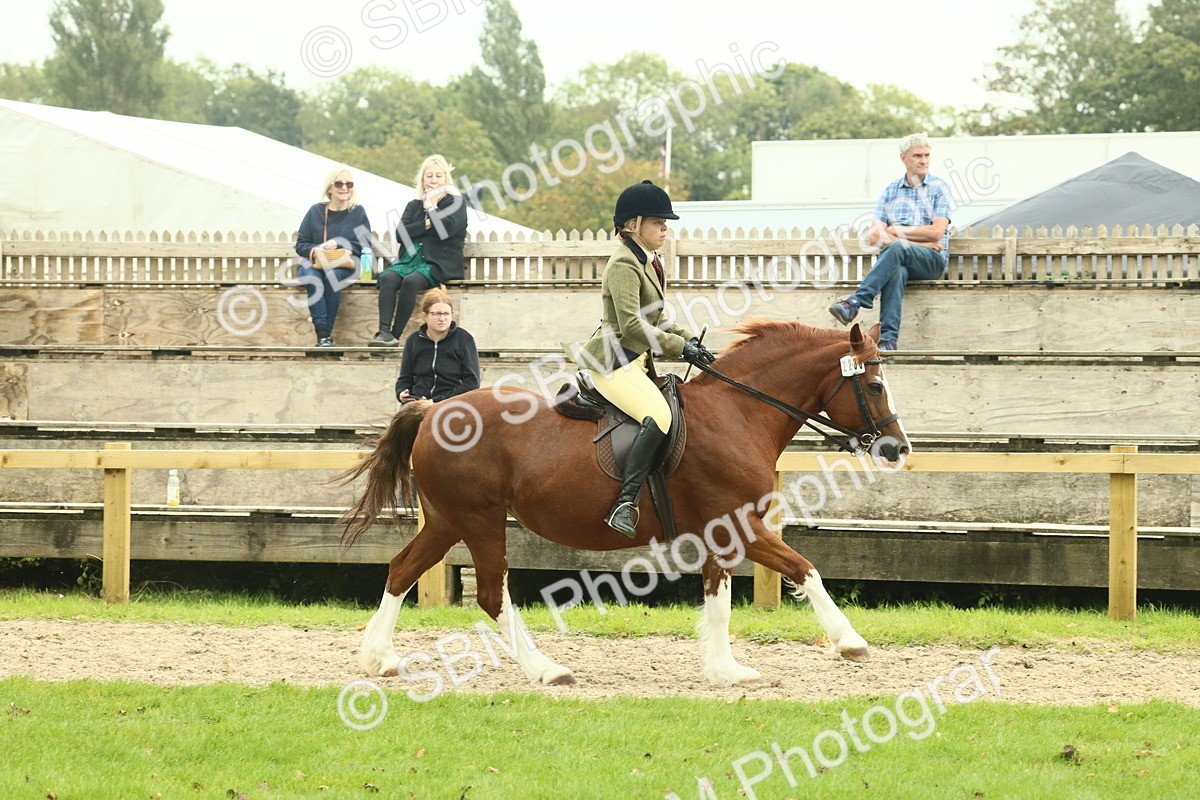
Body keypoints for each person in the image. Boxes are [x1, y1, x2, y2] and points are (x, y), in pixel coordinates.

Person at [569, 180, 716, 538]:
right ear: (633, 224)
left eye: (666, 222)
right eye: (657, 221)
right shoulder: (623, 264)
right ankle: (624, 502)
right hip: (615, 361)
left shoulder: (648, 261)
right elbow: (633, 326)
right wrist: (679, 349)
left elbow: (659, 320)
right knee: (659, 416)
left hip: (636, 361)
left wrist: (689, 341)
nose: (665, 228)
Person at [828, 133, 952, 350]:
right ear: (903, 158)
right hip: (902, 258)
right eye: (917, 156)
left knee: (896, 247)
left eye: (927, 155)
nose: (923, 160)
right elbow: (874, 236)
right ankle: (888, 340)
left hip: (931, 261)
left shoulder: (938, 189)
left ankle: (856, 302)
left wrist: (895, 230)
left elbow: (936, 232)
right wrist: (919, 241)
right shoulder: (891, 191)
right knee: (897, 271)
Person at [370, 154, 468, 347]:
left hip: (437, 262)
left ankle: (395, 336)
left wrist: (431, 207)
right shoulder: (414, 205)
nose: (433, 180)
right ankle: (383, 332)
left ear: (446, 180)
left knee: (410, 281)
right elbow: (401, 234)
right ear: (422, 180)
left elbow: (445, 231)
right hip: (409, 259)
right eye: (429, 175)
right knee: (389, 278)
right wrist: (427, 224)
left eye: (438, 176)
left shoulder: (455, 203)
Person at [295, 166, 371, 347]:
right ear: (329, 188)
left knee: (332, 275)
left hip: (346, 265)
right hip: (315, 263)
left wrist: (339, 244)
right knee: (313, 278)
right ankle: (323, 336)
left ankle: (323, 337)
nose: (344, 187)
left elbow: (365, 245)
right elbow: (301, 244)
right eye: (339, 183)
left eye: (349, 183)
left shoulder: (358, 212)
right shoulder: (315, 211)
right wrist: (316, 250)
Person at [395, 288, 481, 404]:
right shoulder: (413, 341)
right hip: (418, 402)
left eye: (446, 314)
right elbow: (405, 378)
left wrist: (437, 401)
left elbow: (472, 383)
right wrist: (401, 392)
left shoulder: (464, 339)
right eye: (436, 314)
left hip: (452, 402)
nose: (442, 318)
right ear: (425, 316)